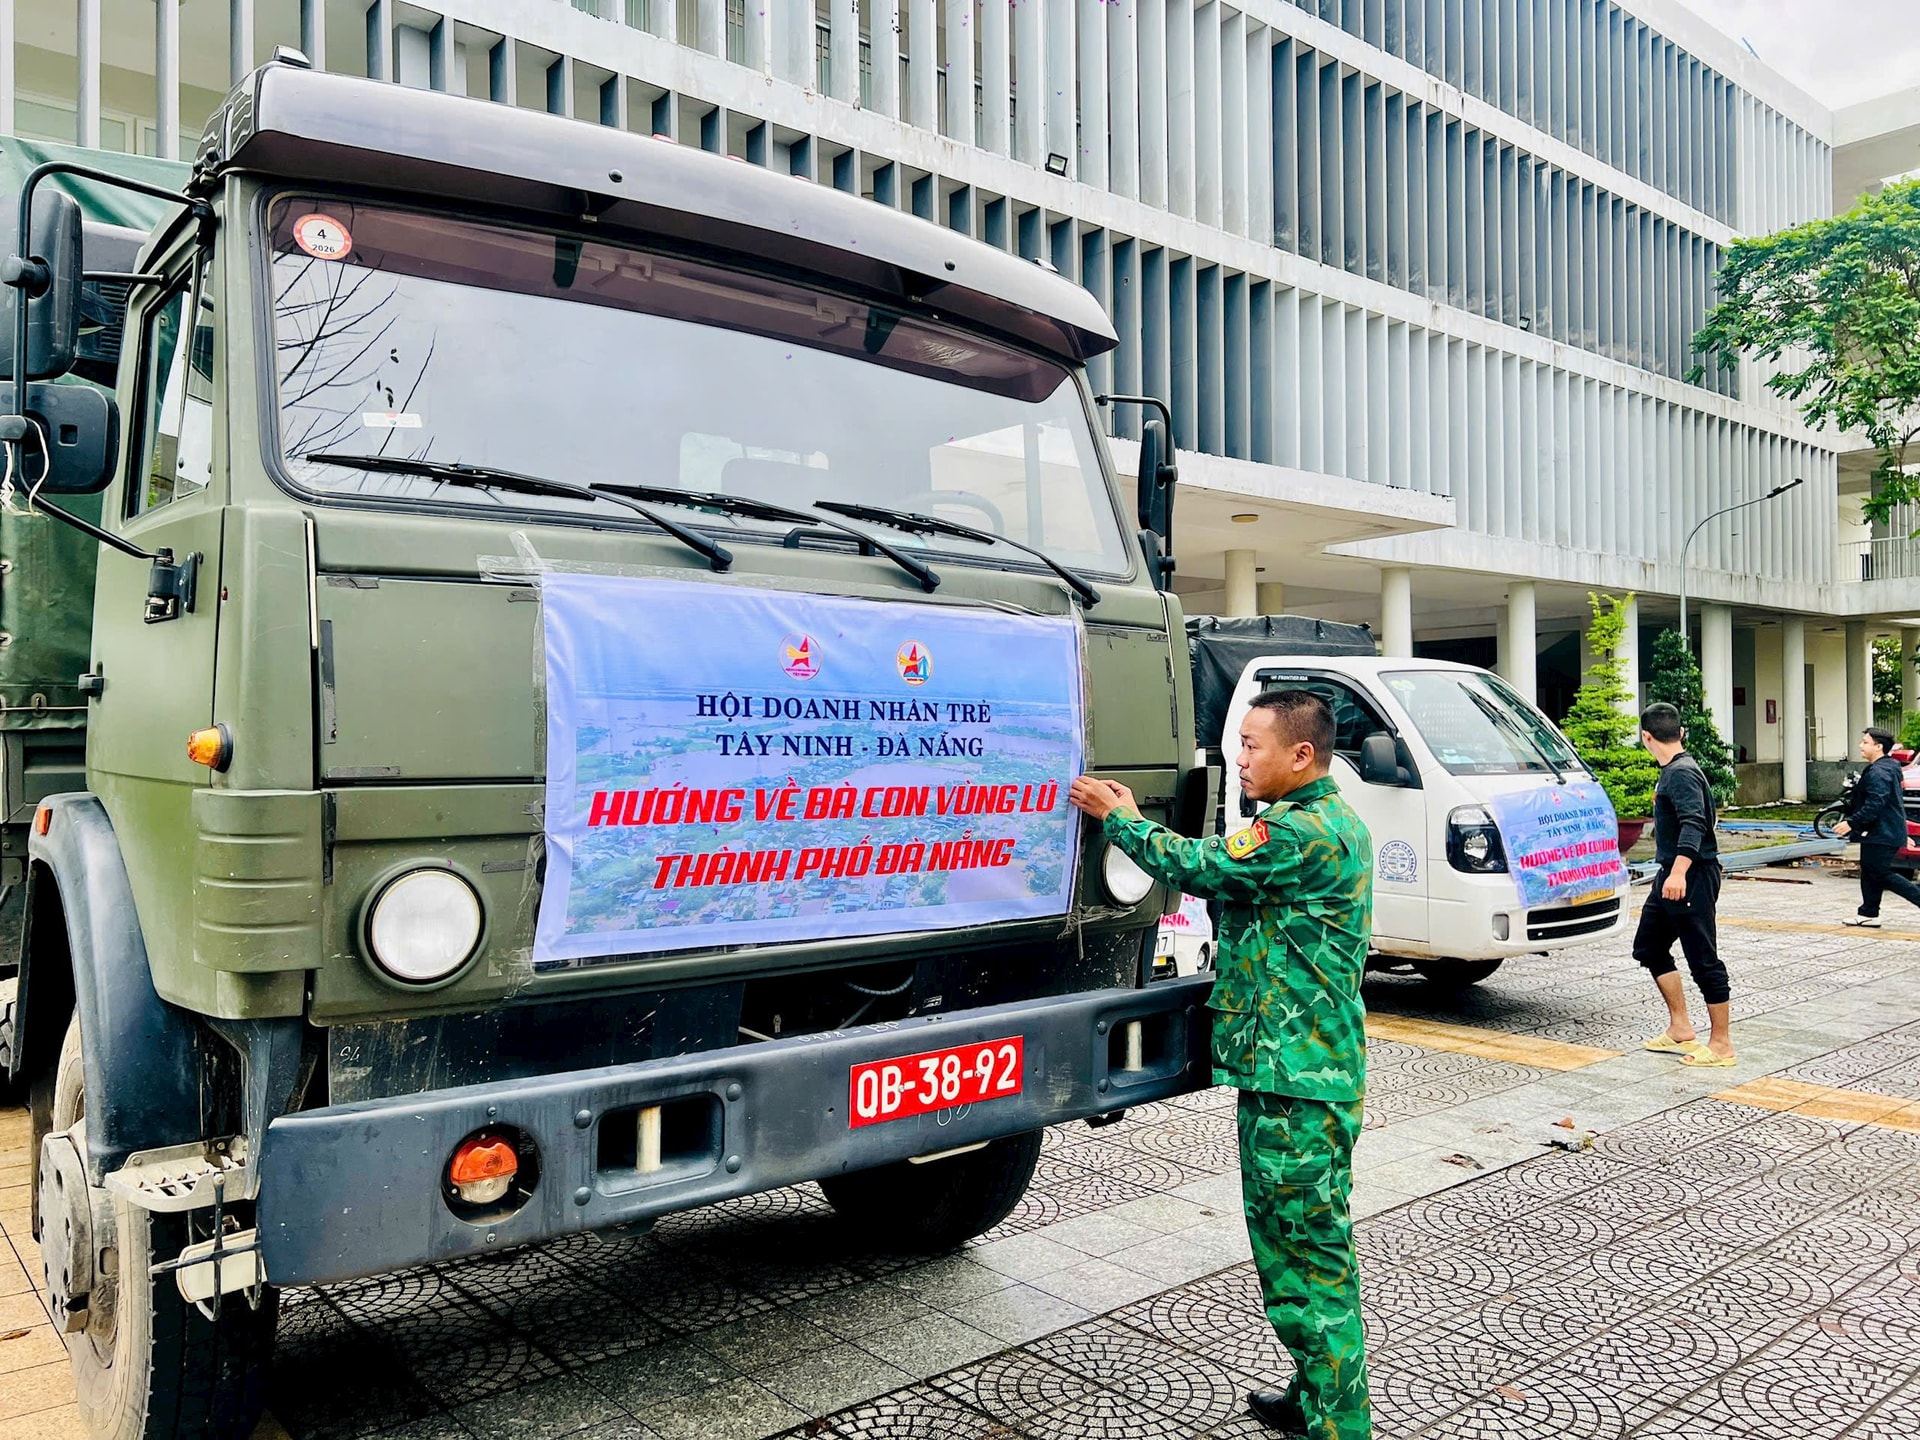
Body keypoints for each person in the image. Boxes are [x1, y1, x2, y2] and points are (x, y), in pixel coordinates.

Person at [1068, 690, 1372, 1440]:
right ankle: (1315, 1399)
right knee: (1299, 1250)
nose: (1240, 757)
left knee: (1307, 1264)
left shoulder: (1301, 833)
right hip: (1299, 1075)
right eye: (1239, 743)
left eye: (1252, 745)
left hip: (1296, 1083)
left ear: (1301, 755)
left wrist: (1121, 820)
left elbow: (1197, 865)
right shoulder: (1330, 824)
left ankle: (1341, 1426)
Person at [1633, 702, 1735, 1067]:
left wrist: (1678, 872)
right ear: (1681, 733)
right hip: (1671, 874)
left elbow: (1695, 823)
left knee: (1702, 957)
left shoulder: (1681, 773)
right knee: (1648, 946)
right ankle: (1680, 1027)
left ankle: (1721, 1044)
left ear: (1646, 737)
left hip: (1690, 875)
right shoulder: (1674, 770)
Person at [1833, 726, 1920, 927]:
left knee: (1880, 873)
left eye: (1865, 742)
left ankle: (1871, 911)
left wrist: (1851, 823)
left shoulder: (1879, 772)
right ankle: (1869, 913)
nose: (1860, 746)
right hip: (1882, 830)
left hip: (1881, 831)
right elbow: (1894, 803)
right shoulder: (1890, 766)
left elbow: (1876, 804)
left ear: (1879, 746)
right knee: (1871, 871)